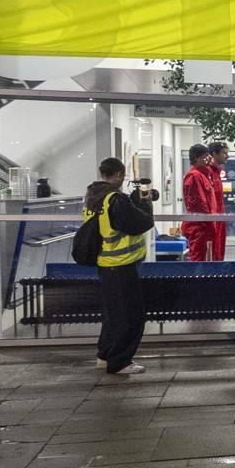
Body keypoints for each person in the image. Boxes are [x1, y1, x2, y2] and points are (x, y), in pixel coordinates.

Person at [85, 157, 155, 377]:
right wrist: (145, 203)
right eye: (121, 176)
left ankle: (105, 356)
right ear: (117, 175)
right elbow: (140, 223)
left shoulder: (92, 198)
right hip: (121, 265)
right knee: (131, 317)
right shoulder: (115, 200)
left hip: (105, 264)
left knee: (113, 315)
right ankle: (120, 361)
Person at [180, 143, 225, 261]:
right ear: (197, 158)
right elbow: (198, 205)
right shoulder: (194, 176)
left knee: (209, 258)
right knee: (200, 260)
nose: (209, 159)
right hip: (200, 227)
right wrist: (209, 224)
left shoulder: (204, 175)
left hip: (207, 226)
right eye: (205, 156)